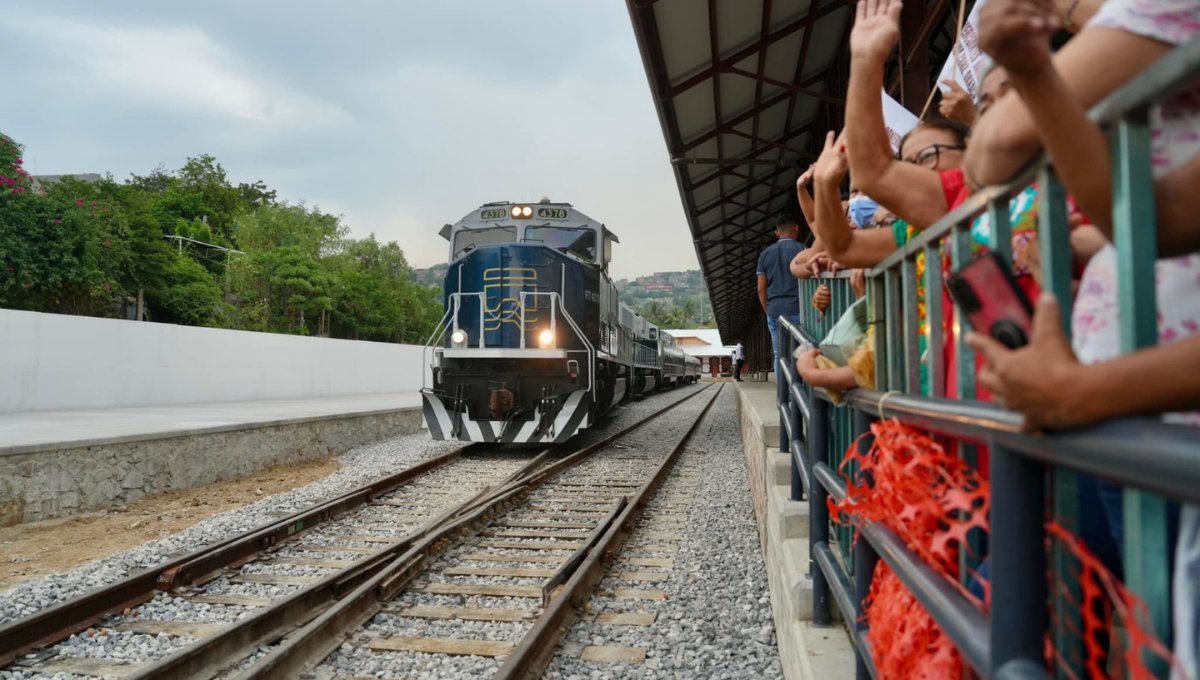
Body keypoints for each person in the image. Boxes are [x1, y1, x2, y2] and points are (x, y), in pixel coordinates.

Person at [973, 1, 1200, 673]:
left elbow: (999, 147)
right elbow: (1151, 216)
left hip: (1152, 425)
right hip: (1135, 425)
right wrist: (1036, 73)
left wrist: (1083, 391)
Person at [757, 215, 805, 371]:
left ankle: (785, 395)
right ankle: (800, 392)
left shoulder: (765, 255)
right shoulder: (803, 250)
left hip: (775, 311)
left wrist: (768, 311)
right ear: (796, 228)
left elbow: (761, 289)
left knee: (780, 355)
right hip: (800, 310)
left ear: (776, 233)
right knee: (803, 352)